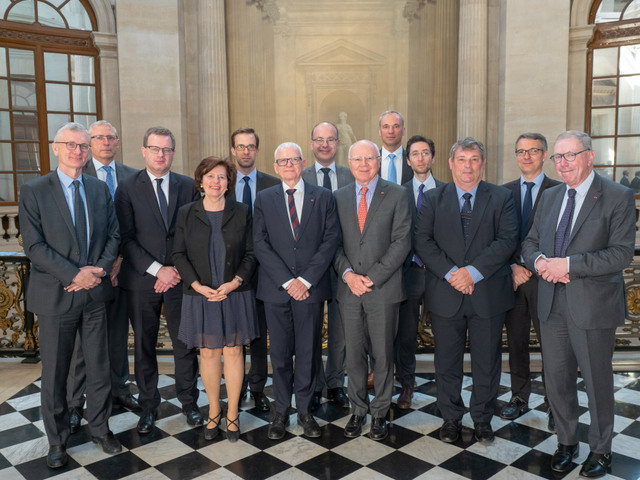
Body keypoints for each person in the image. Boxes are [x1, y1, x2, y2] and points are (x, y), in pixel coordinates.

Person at [522, 130, 635, 478]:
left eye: (570, 155)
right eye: (558, 157)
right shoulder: (551, 196)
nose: (563, 163)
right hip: (551, 305)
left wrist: (567, 265)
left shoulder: (617, 196)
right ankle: (567, 442)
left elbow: (620, 254)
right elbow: (530, 242)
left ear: (590, 156)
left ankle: (601, 451)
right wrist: (540, 263)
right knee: (557, 379)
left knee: (598, 382)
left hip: (592, 306)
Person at [19, 122, 121, 468]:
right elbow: (33, 245)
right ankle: (58, 440)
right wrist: (74, 274)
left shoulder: (98, 188)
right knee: (56, 373)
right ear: (56, 148)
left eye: (83, 146)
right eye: (72, 145)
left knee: (98, 367)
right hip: (55, 295)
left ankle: (101, 430)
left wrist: (97, 272)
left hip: (93, 295)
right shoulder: (35, 189)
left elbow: (114, 235)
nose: (79, 151)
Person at [414, 137, 518, 445]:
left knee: (487, 362)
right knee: (447, 362)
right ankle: (451, 417)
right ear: (450, 163)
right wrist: (451, 274)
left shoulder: (502, 197)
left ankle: (483, 419)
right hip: (446, 294)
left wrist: (471, 273)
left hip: (488, 294)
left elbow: (507, 240)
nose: (468, 166)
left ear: (483, 163)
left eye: (474, 159)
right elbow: (423, 241)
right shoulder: (433, 198)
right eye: (462, 159)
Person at [115, 126, 202, 434]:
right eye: (155, 149)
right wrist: (157, 269)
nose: (161, 155)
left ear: (173, 153)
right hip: (142, 280)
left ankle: (189, 402)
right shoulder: (126, 187)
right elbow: (125, 238)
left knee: (185, 344)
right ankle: (148, 406)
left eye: (166, 150)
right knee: (144, 346)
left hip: (180, 280)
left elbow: (193, 234)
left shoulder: (188, 186)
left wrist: (174, 269)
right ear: (144, 151)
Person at [253, 142, 339, 440]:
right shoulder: (264, 198)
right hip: (277, 290)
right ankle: (280, 412)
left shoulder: (323, 197)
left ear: (303, 163)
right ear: (275, 167)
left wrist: (306, 280)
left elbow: (330, 241)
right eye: (282, 160)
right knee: (278, 354)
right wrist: (289, 282)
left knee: (308, 351)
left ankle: (304, 411)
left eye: (294, 159)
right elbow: (260, 243)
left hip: (311, 291)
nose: (289, 164)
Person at [173, 157, 258, 442]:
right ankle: (213, 410)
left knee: (233, 351)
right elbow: (178, 255)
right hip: (200, 295)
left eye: (221, 177)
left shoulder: (243, 211)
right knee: (208, 353)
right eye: (210, 177)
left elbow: (251, 253)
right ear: (200, 181)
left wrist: (234, 282)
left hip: (234, 293)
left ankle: (232, 412)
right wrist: (196, 285)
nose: (215, 182)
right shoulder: (186, 212)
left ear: (228, 183)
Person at [333, 139, 412, 441]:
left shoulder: (397, 194)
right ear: (349, 163)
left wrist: (372, 277)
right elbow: (333, 243)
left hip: (384, 289)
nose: (363, 164)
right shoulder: (338, 197)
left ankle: (380, 412)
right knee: (353, 355)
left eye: (369, 158)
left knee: (382, 354)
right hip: (349, 289)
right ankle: (358, 410)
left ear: (379, 161)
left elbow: (402, 241)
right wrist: (349, 275)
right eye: (357, 159)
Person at [66, 120, 139, 434]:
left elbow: (130, 225)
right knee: (83, 344)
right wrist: (97, 267)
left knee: (118, 333)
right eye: (99, 138)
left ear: (118, 142)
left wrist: (119, 259)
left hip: (123, 269)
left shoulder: (131, 176)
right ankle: (75, 401)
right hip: (89, 273)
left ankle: (120, 388)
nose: (106, 142)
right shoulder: (80, 173)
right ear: (88, 143)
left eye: (111, 138)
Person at [500, 133, 560, 430]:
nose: (526, 156)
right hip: (511, 280)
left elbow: (562, 239)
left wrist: (534, 268)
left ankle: (554, 403)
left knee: (552, 345)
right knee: (517, 343)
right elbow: (497, 236)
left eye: (532, 151)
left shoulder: (559, 190)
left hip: (547, 281)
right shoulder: (503, 192)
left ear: (545, 154)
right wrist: (512, 266)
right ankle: (519, 397)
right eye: (520, 151)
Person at [302, 121, 354, 409]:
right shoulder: (301, 175)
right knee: (309, 330)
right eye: (319, 139)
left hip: (343, 266)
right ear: (311, 144)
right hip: (310, 268)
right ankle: (314, 384)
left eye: (330, 139)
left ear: (338, 144)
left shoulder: (351, 175)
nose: (324, 144)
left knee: (340, 330)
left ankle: (335, 384)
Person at [231, 127, 280, 412]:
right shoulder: (221, 182)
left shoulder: (272, 184)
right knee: (235, 334)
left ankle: (258, 387)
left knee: (259, 333)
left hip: (265, 271)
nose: (246, 151)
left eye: (251, 146)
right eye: (240, 146)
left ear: (257, 150)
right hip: (232, 271)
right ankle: (235, 389)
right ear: (233, 151)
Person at [395, 135, 444, 409]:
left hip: (439, 275)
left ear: (433, 158)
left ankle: (447, 388)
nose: (421, 158)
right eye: (415, 154)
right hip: (409, 272)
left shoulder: (448, 191)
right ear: (408, 160)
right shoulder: (398, 193)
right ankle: (406, 386)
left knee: (445, 333)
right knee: (405, 334)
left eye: (425, 153)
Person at [378, 110, 412, 185]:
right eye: (386, 127)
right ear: (380, 131)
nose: (390, 131)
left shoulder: (414, 161)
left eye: (396, 126)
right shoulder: (371, 163)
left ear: (403, 131)